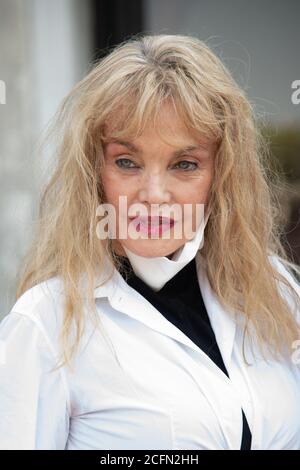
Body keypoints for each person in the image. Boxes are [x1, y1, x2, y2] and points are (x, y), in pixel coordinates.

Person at [0, 33, 300, 450]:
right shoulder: (46, 324)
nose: (154, 195)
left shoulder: (275, 291)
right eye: (127, 162)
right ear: (94, 171)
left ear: (222, 175)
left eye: (185, 164)